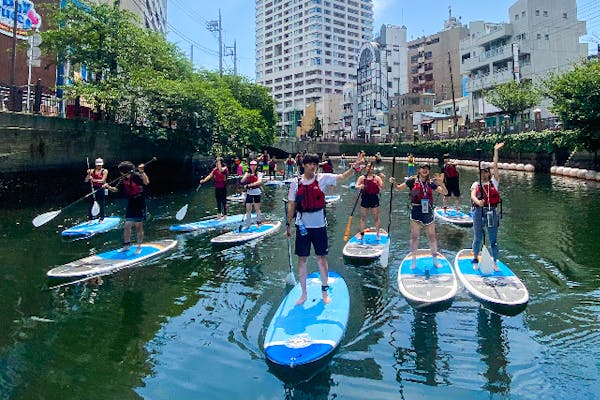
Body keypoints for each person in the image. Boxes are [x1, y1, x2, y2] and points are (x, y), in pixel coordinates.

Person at [286, 153, 358, 305]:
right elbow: (291, 205)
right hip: (302, 226)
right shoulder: (295, 183)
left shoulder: (322, 178)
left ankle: (324, 291)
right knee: (302, 259)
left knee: (321, 258)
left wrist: (353, 169)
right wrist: (288, 225)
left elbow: (341, 177)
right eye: (310, 163)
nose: (313, 166)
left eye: (315, 164)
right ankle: (304, 293)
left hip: (319, 226)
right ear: (304, 165)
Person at [390, 163, 447, 268]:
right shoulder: (412, 181)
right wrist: (394, 183)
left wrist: (441, 183)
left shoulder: (430, 183)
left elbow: (445, 192)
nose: (425, 170)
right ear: (419, 170)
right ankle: (413, 261)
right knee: (414, 237)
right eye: (423, 168)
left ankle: (435, 260)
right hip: (416, 210)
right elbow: (398, 188)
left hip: (428, 212)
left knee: (432, 237)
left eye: (427, 169)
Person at [470, 142, 504, 271]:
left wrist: (495, 151)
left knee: (493, 239)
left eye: (486, 171)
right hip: (478, 212)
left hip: (492, 212)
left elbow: (495, 166)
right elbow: (473, 195)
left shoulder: (494, 183)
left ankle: (495, 262)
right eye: (482, 172)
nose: (484, 174)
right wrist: (478, 202)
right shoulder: (476, 184)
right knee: (478, 238)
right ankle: (475, 258)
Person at [103, 161, 150, 253]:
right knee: (127, 225)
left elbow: (146, 182)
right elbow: (116, 189)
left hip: (140, 202)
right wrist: (108, 187)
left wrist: (142, 172)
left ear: (125, 171)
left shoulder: (136, 176)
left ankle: (139, 246)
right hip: (131, 202)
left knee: (138, 226)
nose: (120, 173)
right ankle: (126, 245)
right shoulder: (123, 179)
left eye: (121, 171)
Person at [355, 161, 385, 241]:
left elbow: (383, 187)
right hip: (365, 198)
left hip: (374, 198)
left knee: (376, 217)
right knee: (363, 217)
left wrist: (383, 179)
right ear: (366, 168)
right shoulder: (362, 178)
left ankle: (378, 234)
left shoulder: (377, 178)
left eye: (372, 167)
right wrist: (359, 186)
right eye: (369, 167)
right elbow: (356, 185)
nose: (370, 169)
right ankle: (362, 234)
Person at [239, 160, 264, 227]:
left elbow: (259, 182)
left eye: (254, 165)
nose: (253, 166)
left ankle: (259, 222)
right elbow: (242, 181)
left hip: (256, 192)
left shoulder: (259, 174)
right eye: (252, 165)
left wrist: (249, 185)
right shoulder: (247, 173)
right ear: (250, 166)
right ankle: (248, 224)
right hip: (249, 193)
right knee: (248, 209)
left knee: (257, 208)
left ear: (256, 166)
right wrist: (246, 175)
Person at [84, 158, 108, 222]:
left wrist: (94, 180)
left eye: (100, 165)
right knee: (91, 203)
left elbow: (103, 180)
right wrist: (88, 175)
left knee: (101, 203)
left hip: (101, 188)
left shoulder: (105, 171)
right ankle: (90, 219)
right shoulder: (91, 171)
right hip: (93, 188)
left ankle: (101, 218)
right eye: (98, 165)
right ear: (95, 165)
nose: (99, 166)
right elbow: (86, 181)